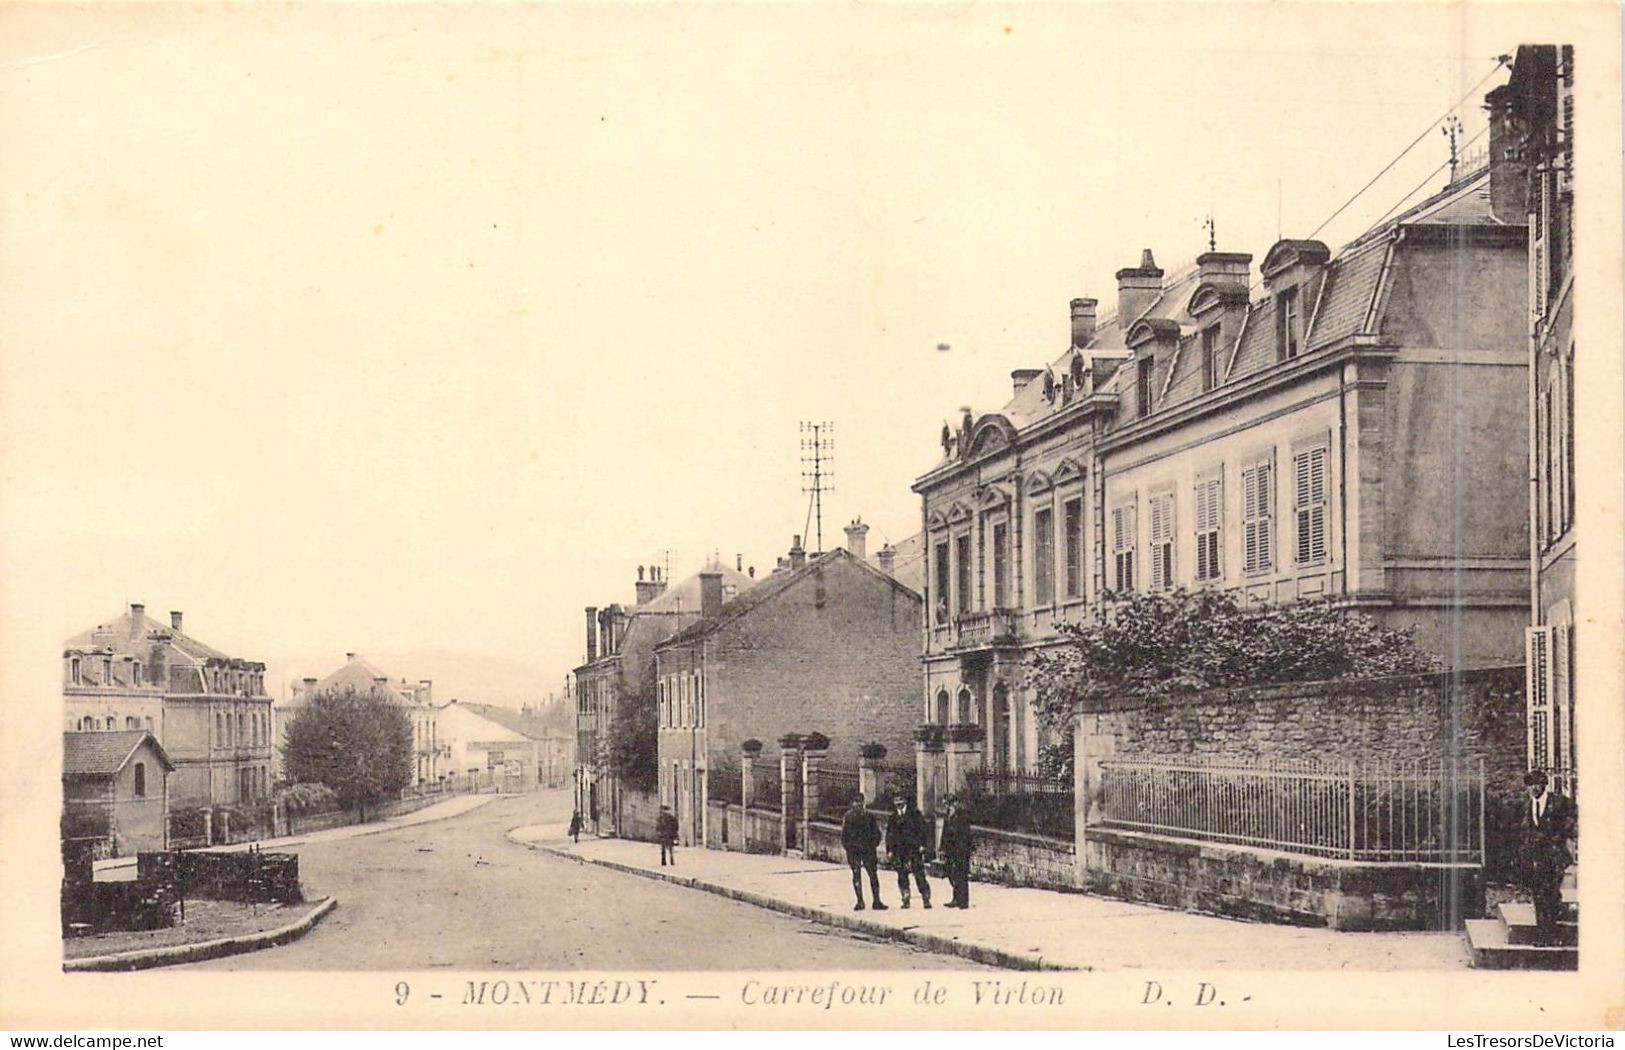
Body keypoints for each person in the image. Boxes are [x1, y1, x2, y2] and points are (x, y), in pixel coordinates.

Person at [1520, 769, 1577, 945]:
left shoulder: (1559, 802)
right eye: (1530, 785)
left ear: (1544, 785)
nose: (1533, 789)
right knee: (1538, 896)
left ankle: (1551, 934)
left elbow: (1575, 816)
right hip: (1537, 860)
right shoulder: (1529, 805)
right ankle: (1543, 935)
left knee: (1551, 894)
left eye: (1536, 784)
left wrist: (1560, 836)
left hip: (1554, 858)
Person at [840, 794, 887, 911]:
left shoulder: (869, 816)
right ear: (852, 803)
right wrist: (849, 848)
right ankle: (860, 901)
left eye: (860, 802)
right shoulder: (848, 816)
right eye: (856, 802)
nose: (858, 804)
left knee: (873, 875)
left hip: (868, 850)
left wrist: (872, 845)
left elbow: (877, 833)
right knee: (856, 875)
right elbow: (844, 835)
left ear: (863, 803)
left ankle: (877, 901)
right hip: (854, 851)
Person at [886, 794, 932, 909]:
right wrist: (890, 850)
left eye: (900, 799)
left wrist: (922, 845)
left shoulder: (915, 814)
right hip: (900, 851)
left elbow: (923, 830)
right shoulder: (893, 817)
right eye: (896, 800)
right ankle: (905, 899)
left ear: (905, 800)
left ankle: (926, 898)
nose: (898, 802)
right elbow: (889, 835)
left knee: (919, 874)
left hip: (914, 849)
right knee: (902, 875)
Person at [938, 794, 974, 909]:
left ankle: (963, 901)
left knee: (961, 875)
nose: (948, 806)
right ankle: (955, 898)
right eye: (946, 804)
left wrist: (965, 848)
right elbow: (944, 832)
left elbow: (966, 834)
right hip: (950, 849)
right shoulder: (948, 815)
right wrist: (942, 848)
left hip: (961, 849)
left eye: (949, 803)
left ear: (954, 803)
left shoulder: (962, 815)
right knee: (951, 873)